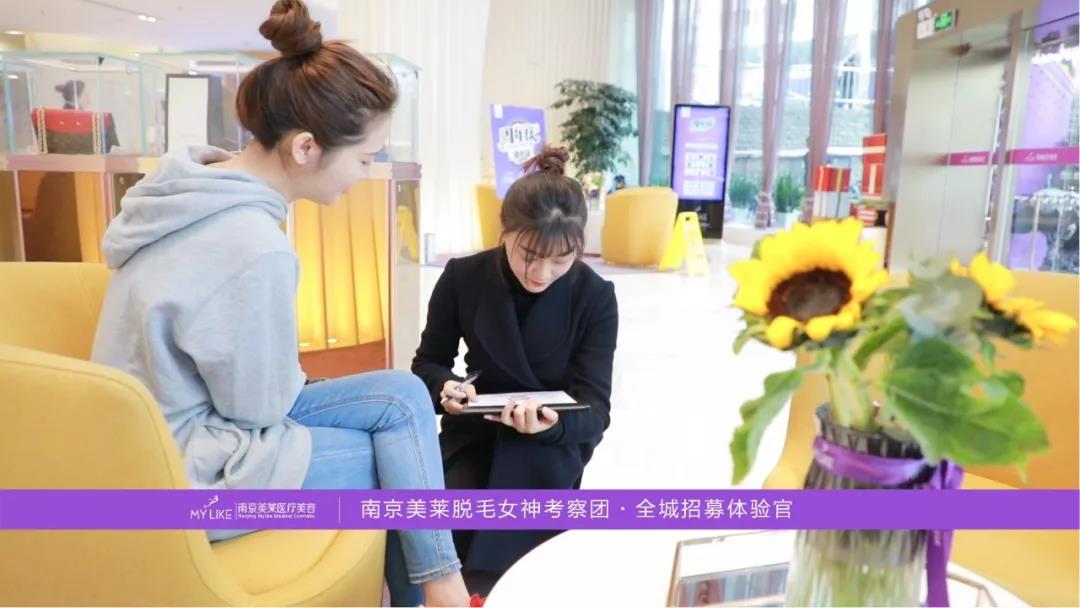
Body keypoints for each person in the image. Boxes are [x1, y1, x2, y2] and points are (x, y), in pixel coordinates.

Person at [90, 1, 469, 605]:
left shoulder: (186, 193)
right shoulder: (253, 246)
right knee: (395, 462)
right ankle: (442, 593)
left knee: (403, 396)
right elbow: (259, 408)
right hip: (185, 476)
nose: (364, 174)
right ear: (307, 148)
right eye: (364, 158)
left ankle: (440, 589)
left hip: (140, 445)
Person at [412, 145, 619, 595]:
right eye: (528, 254)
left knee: (527, 554)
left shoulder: (595, 296)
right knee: (446, 525)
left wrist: (549, 426)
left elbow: (596, 409)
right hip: (474, 430)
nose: (541, 273)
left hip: (551, 441)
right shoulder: (462, 277)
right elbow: (428, 363)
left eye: (561, 260)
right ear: (503, 232)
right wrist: (446, 387)